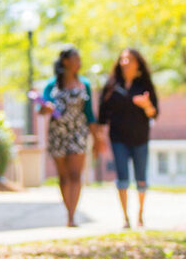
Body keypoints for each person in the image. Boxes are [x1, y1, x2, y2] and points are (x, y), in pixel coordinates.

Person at [39, 46, 103, 227]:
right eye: (76, 59)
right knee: (63, 176)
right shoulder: (51, 85)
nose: (79, 63)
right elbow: (41, 108)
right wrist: (46, 108)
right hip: (58, 133)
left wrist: (97, 138)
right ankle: (68, 211)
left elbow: (89, 114)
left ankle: (72, 216)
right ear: (66, 61)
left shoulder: (84, 85)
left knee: (75, 174)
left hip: (78, 133)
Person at [98, 48, 158, 229]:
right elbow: (102, 115)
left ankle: (140, 214)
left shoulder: (145, 85)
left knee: (141, 177)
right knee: (122, 177)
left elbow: (154, 113)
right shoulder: (112, 85)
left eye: (129, 59)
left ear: (137, 63)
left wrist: (146, 105)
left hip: (140, 138)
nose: (125, 63)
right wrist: (99, 137)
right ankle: (125, 217)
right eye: (123, 59)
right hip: (118, 138)